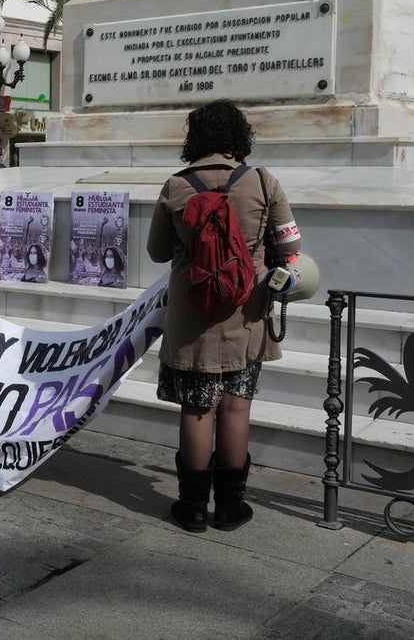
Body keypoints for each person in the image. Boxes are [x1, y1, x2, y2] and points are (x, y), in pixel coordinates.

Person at [146, 99, 301, 533]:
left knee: (198, 408)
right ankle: (231, 507)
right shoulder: (262, 181)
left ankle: (192, 508)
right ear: (240, 137)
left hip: (192, 314)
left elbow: (157, 251)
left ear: (195, 138)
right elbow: (290, 247)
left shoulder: (176, 186)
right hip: (246, 311)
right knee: (235, 406)